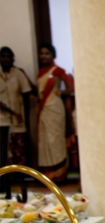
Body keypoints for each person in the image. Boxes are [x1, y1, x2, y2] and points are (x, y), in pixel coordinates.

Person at [36, 42, 74, 182]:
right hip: (44, 109)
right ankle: (49, 173)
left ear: (53, 55)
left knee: (55, 139)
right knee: (45, 139)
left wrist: (61, 92)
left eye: (47, 53)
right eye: (42, 53)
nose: (44, 56)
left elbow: (71, 87)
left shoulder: (58, 71)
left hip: (55, 109)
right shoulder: (40, 72)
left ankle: (59, 173)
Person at [0, 46, 34, 199]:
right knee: (2, 155)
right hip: (1, 121)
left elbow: (27, 94)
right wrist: (12, 112)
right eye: (3, 56)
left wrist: (23, 116)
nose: (6, 59)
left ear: (12, 58)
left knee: (18, 154)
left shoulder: (18, 73)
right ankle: (4, 186)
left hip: (17, 122)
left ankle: (21, 186)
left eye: (9, 56)